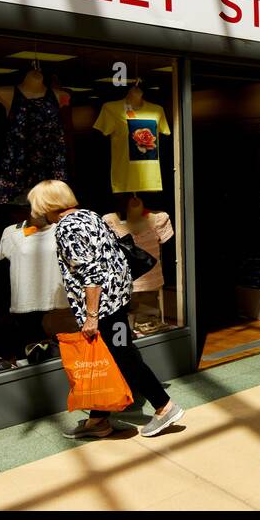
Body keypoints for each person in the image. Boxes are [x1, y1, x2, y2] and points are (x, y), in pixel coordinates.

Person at [28, 179, 184, 440]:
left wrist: (92, 316)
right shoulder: (88, 215)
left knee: (124, 357)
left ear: (47, 204)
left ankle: (164, 406)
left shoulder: (67, 228)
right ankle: (98, 421)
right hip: (118, 298)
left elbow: (92, 273)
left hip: (103, 306)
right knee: (108, 357)